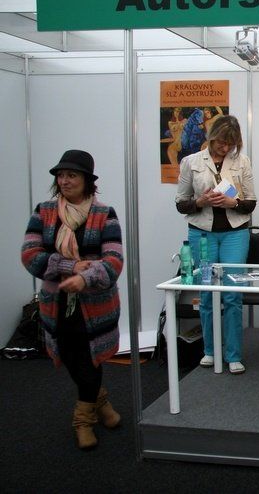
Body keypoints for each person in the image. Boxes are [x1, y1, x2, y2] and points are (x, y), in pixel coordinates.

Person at [21, 150, 124, 450]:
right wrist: (69, 267)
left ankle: (82, 419)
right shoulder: (44, 212)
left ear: (87, 181)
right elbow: (29, 255)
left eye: (72, 175)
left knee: (89, 357)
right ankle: (100, 401)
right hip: (55, 304)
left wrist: (86, 277)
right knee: (68, 355)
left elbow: (114, 261)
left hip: (96, 305)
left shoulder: (105, 214)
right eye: (61, 176)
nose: (64, 181)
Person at [175, 115, 256, 375]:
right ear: (212, 137)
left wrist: (233, 203)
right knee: (207, 293)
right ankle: (210, 350)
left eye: (231, 144)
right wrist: (201, 202)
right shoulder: (190, 162)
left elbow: (251, 203)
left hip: (235, 233)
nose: (225, 148)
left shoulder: (242, 161)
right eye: (222, 143)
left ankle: (233, 354)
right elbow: (181, 204)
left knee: (233, 294)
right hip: (202, 234)